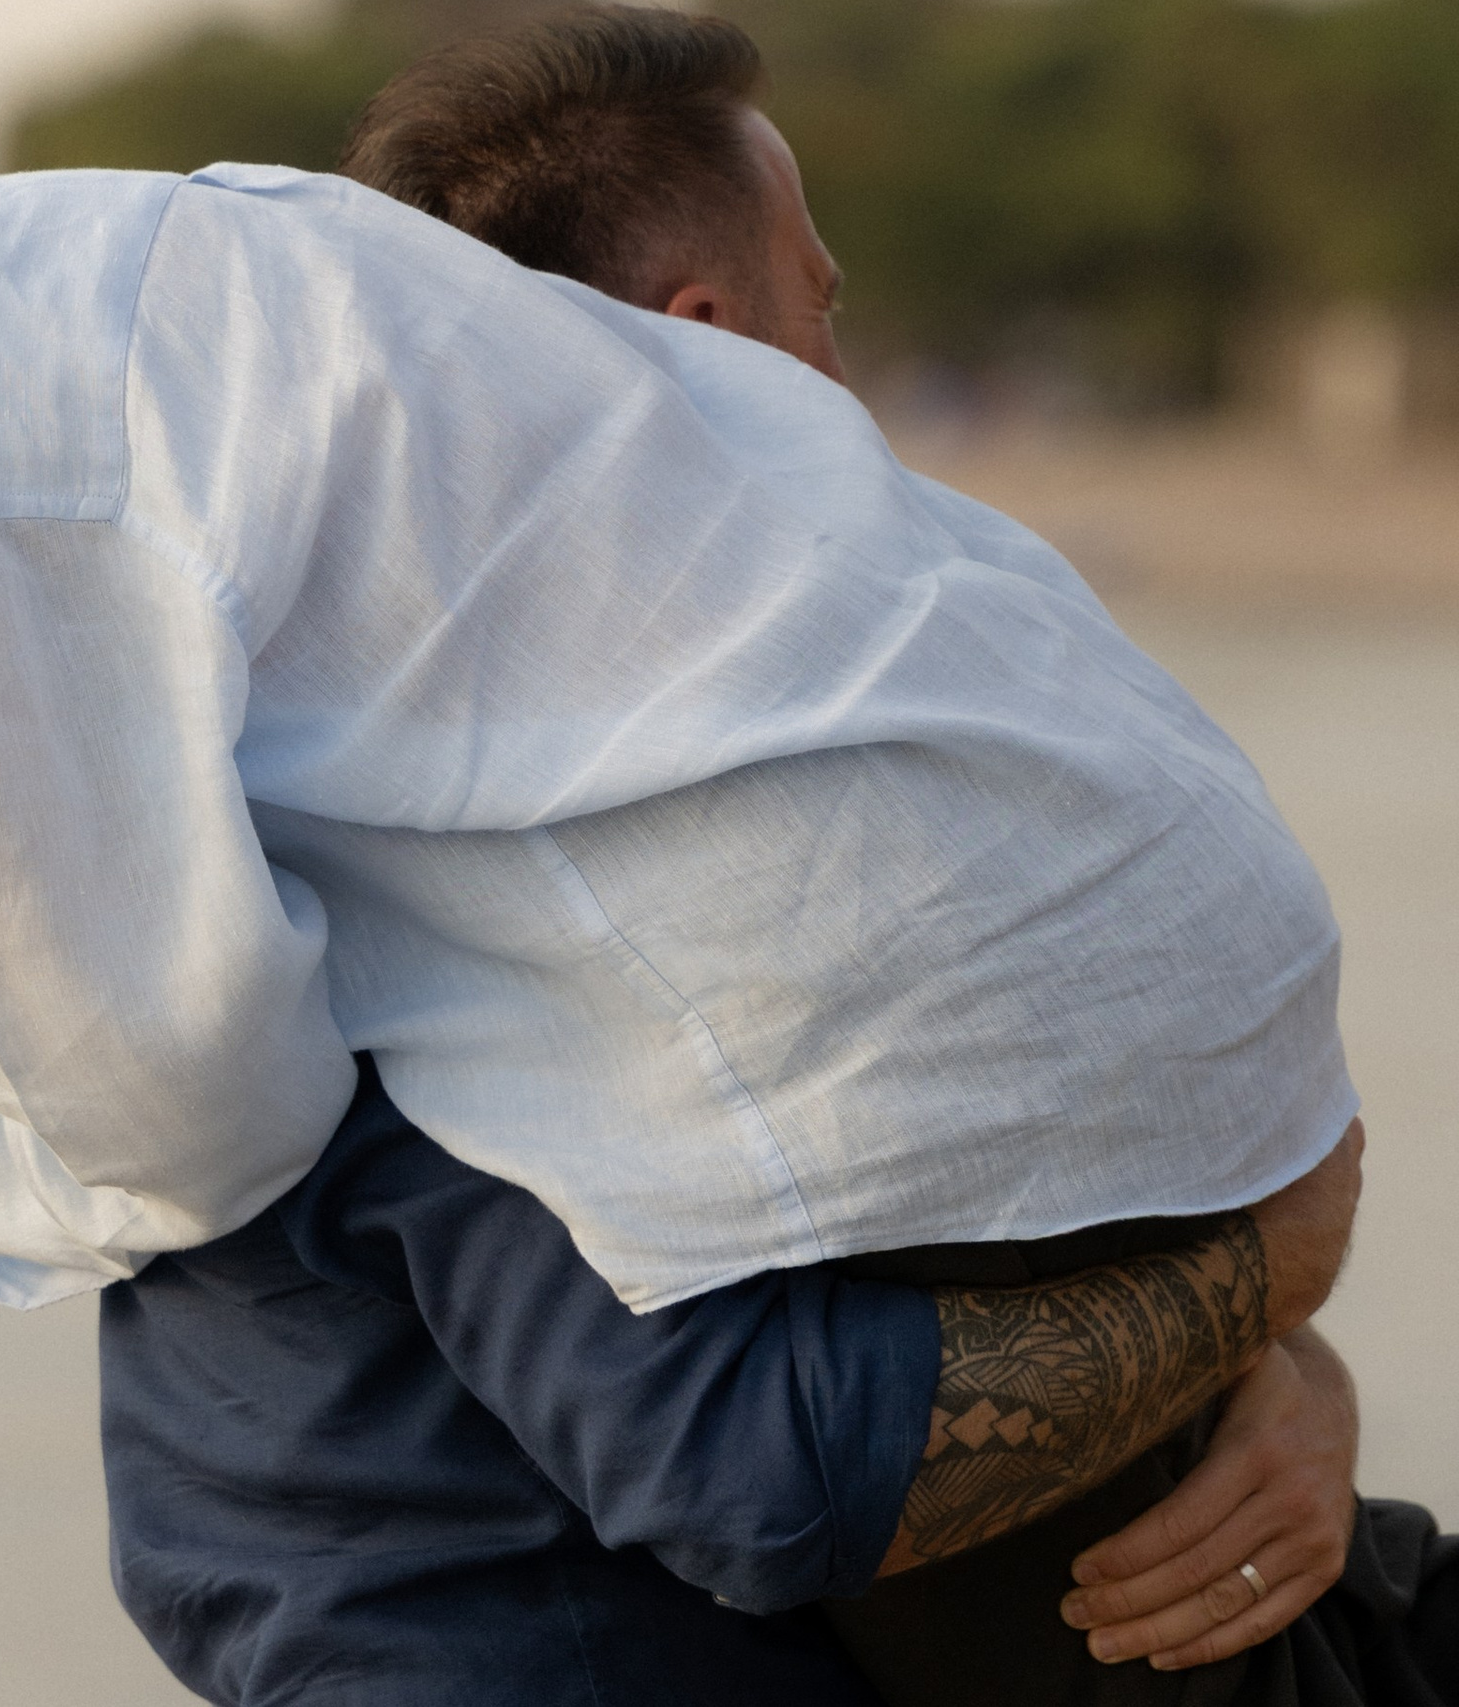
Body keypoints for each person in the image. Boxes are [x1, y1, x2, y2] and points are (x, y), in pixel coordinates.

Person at [0, 41, 1410, 1706]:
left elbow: (176, 1069)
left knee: (239, 1450)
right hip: (1102, 942)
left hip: (911, 972)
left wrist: (1265, 1257)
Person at [337, 8, 1458, 1703]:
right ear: (710, 337)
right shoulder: (506, 869)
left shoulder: (762, 745)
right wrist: (1269, 1275)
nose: (847, 379)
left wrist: (1283, 1363)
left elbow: (1040, 1194)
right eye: (827, 307)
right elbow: (757, 1473)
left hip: (1310, 1607)